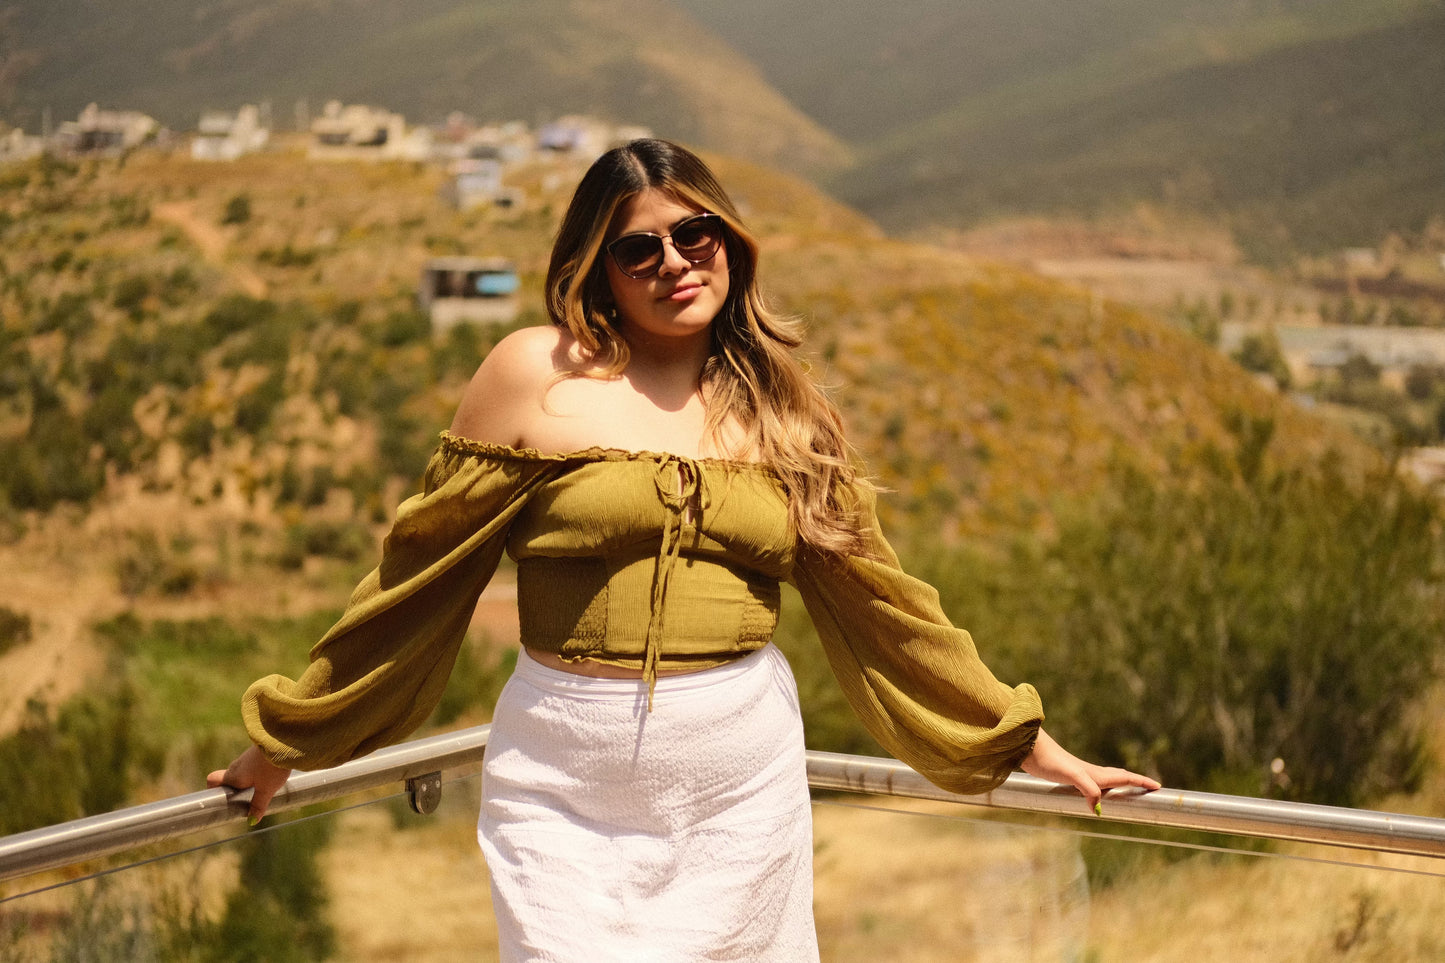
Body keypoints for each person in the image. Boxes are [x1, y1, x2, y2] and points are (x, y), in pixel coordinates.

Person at [209, 138, 1158, 960]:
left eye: (693, 234)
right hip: (563, 781)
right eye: (638, 247)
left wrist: (1023, 739)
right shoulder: (530, 375)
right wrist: (288, 737)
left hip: (738, 783)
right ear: (598, 269)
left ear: (729, 243)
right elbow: (414, 579)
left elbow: (883, 600)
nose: (673, 261)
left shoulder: (780, 408)